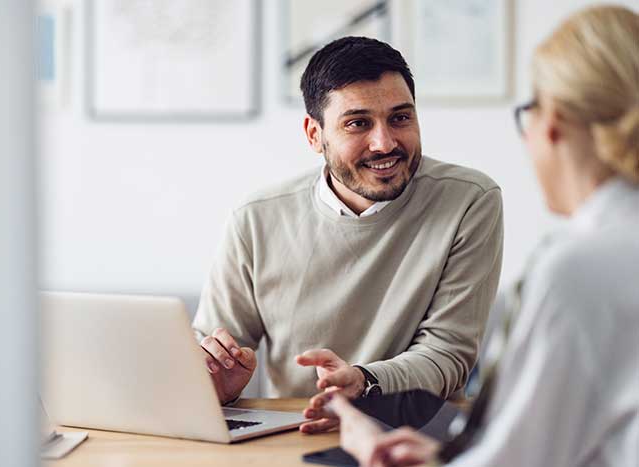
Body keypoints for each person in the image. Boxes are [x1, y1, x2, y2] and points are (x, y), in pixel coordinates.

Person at [328, 5, 639, 466]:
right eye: (358, 123)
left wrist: (369, 445)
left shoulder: (577, 268)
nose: (384, 144)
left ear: (551, 124)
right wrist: (445, 454)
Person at [192, 36, 504, 433]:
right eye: (358, 123)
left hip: (416, 434)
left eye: (400, 118)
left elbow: (448, 354)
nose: (385, 143)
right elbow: (213, 351)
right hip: (295, 432)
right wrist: (218, 382)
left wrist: (365, 381)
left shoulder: (469, 201)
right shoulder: (257, 217)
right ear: (314, 134)